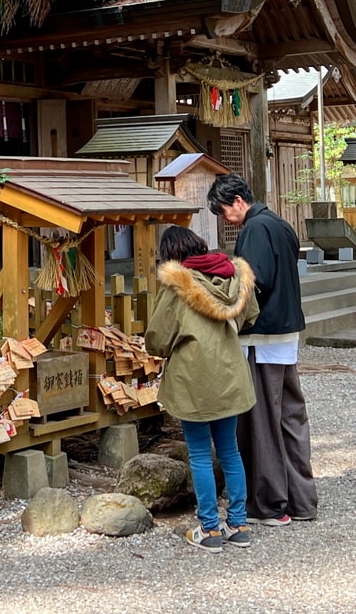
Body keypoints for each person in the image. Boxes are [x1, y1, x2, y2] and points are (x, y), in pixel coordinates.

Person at [207, 172, 318, 526]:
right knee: (290, 418)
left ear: (239, 201)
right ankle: (302, 500)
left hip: (262, 335)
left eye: (224, 211)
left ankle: (269, 504)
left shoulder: (254, 229)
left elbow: (254, 284)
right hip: (286, 331)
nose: (225, 218)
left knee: (262, 423)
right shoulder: (281, 224)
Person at [145, 225, 259, 554]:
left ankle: (209, 529)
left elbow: (158, 338)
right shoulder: (234, 274)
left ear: (171, 255)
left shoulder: (177, 284)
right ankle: (238, 525)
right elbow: (251, 314)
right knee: (229, 450)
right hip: (229, 372)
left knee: (199, 453)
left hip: (193, 377)